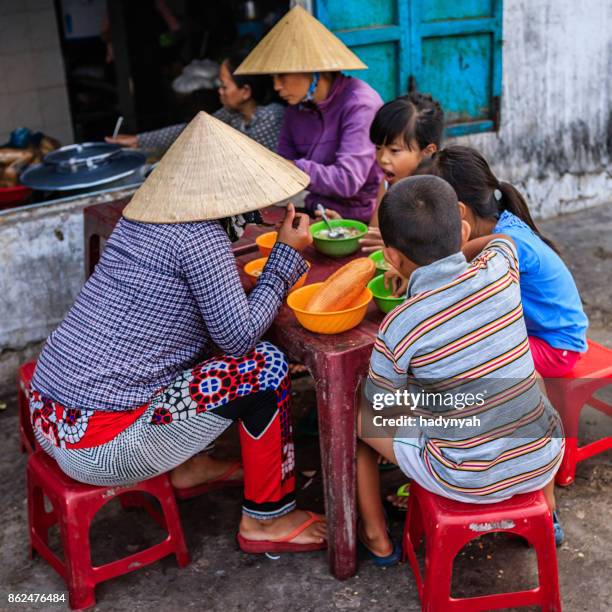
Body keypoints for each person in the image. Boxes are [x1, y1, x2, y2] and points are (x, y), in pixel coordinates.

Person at [30, 112, 326, 553]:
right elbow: (239, 339)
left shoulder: (142, 216)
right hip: (101, 443)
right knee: (264, 366)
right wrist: (284, 258)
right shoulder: (199, 237)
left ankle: (191, 466)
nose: (253, 215)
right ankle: (268, 519)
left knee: (195, 355)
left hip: (49, 416)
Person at [356, 176, 565, 566]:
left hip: (462, 477)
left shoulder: (399, 323)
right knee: (530, 383)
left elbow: (382, 407)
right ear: (463, 227)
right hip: (543, 455)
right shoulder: (500, 269)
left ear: (391, 257)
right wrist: (457, 252)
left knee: (360, 421)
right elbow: (503, 242)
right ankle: (548, 515)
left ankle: (376, 538)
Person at [234, 6, 383, 222]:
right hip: (314, 211)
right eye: (273, 78)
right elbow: (283, 166)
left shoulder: (360, 104)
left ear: (315, 70)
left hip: (357, 220)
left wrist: (295, 168)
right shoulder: (295, 108)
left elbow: (347, 180)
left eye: (282, 76)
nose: (276, 86)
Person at [317, 92, 444, 250]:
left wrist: (394, 248)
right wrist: (344, 230)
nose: (382, 158)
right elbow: (375, 233)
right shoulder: (387, 184)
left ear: (428, 151)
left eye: (395, 150)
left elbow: (441, 254)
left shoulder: (440, 194)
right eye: (378, 148)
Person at [106, 49, 285, 155]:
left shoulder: (271, 116)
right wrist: (139, 140)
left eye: (224, 86)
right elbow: (192, 130)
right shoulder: (232, 114)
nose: (219, 91)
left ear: (245, 91)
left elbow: (243, 158)